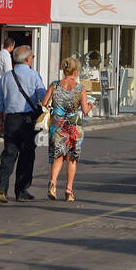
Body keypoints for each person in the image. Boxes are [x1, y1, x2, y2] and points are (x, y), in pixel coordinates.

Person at [0, 45, 47, 202]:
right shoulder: (34, 75)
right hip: (27, 120)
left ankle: (2, 188)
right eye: (32, 57)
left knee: (8, 155)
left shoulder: (6, 77)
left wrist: (0, 121)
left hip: (10, 119)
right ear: (28, 59)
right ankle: (21, 190)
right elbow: (43, 97)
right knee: (27, 155)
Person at [42, 56, 92, 201]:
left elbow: (44, 103)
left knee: (58, 156)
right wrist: (91, 105)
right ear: (76, 72)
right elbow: (85, 110)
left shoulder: (55, 85)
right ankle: (69, 190)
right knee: (71, 158)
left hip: (57, 125)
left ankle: (53, 183)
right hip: (73, 126)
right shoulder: (80, 89)